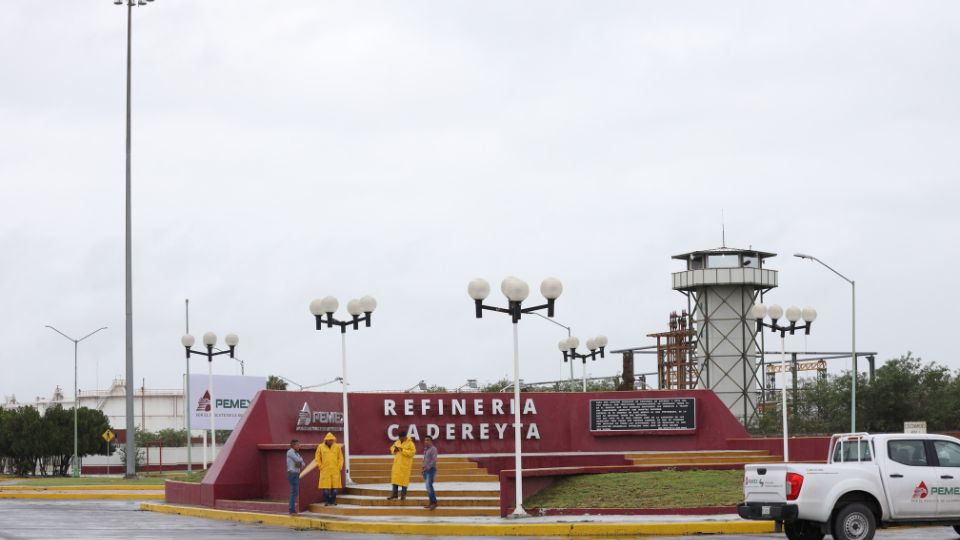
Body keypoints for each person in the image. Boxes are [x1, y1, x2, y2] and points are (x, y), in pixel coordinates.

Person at [300, 432, 344, 506]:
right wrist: (321, 466)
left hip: (335, 470)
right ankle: (327, 501)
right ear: (326, 440)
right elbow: (317, 458)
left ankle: (333, 501)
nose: (330, 441)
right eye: (329, 440)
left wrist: (339, 467)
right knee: (325, 490)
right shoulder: (320, 447)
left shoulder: (337, 447)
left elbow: (341, 458)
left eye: (332, 440)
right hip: (325, 471)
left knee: (335, 490)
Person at [387, 429, 416, 500]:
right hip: (397, 465)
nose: (400, 439)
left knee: (404, 482)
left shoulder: (410, 443)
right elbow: (392, 448)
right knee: (395, 480)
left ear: (405, 437)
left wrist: (402, 450)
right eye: (399, 437)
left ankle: (403, 496)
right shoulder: (397, 442)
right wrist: (394, 450)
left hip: (405, 466)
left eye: (401, 437)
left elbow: (412, 452)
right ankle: (394, 494)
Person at [286, 439, 305, 516]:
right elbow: (299, 460)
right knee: (294, 492)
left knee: (295, 492)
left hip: (296, 474)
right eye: (297, 445)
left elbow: (303, 464)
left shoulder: (297, 453)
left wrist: (300, 462)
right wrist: (300, 461)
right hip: (292, 474)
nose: (299, 446)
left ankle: (292, 510)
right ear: (293, 445)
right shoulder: (290, 452)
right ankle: (292, 510)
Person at [421, 436, 438, 509]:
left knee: (429, 485)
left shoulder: (433, 449)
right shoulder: (426, 450)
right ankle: (431, 502)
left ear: (431, 441)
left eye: (428, 440)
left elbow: (434, 460)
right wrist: (423, 469)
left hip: (431, 470)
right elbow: (425, 460)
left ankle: (434, 502)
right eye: (425, 440)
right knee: (428, 487)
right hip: (425, 471)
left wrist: (427, 468)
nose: (426, 442)